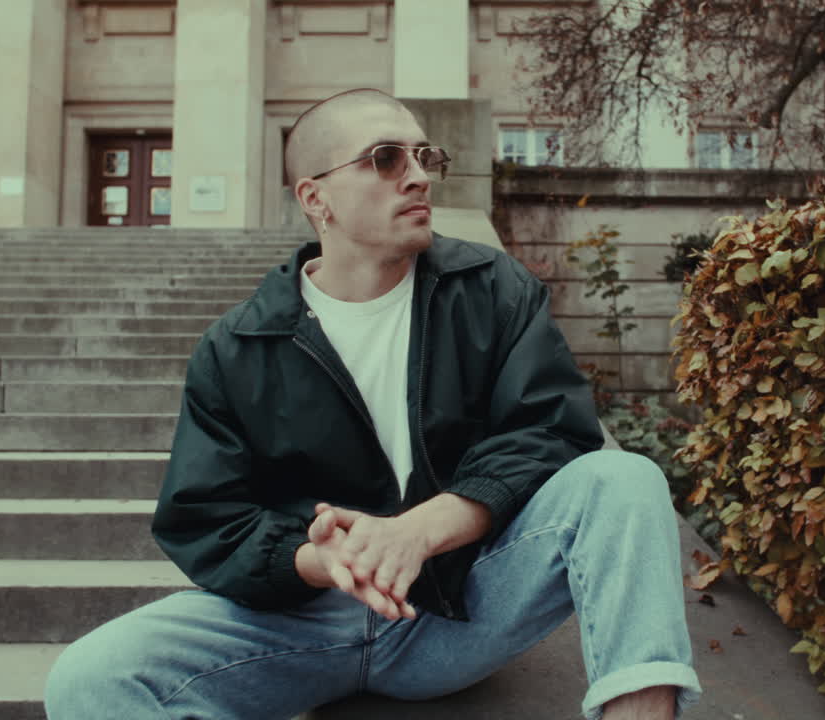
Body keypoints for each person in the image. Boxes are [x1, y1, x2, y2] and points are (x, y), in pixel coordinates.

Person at [44, 88, 701, 720]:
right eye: (386, 158)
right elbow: (203, 519)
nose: (418, 176)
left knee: (625, 481)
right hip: (299, 623)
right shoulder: (238, 346)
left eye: (425, 156)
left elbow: (552, 428)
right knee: (90, 678)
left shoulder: (490, 289)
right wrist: (318, 560)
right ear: (316, 198)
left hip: (455, 606)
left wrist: (420, 530)